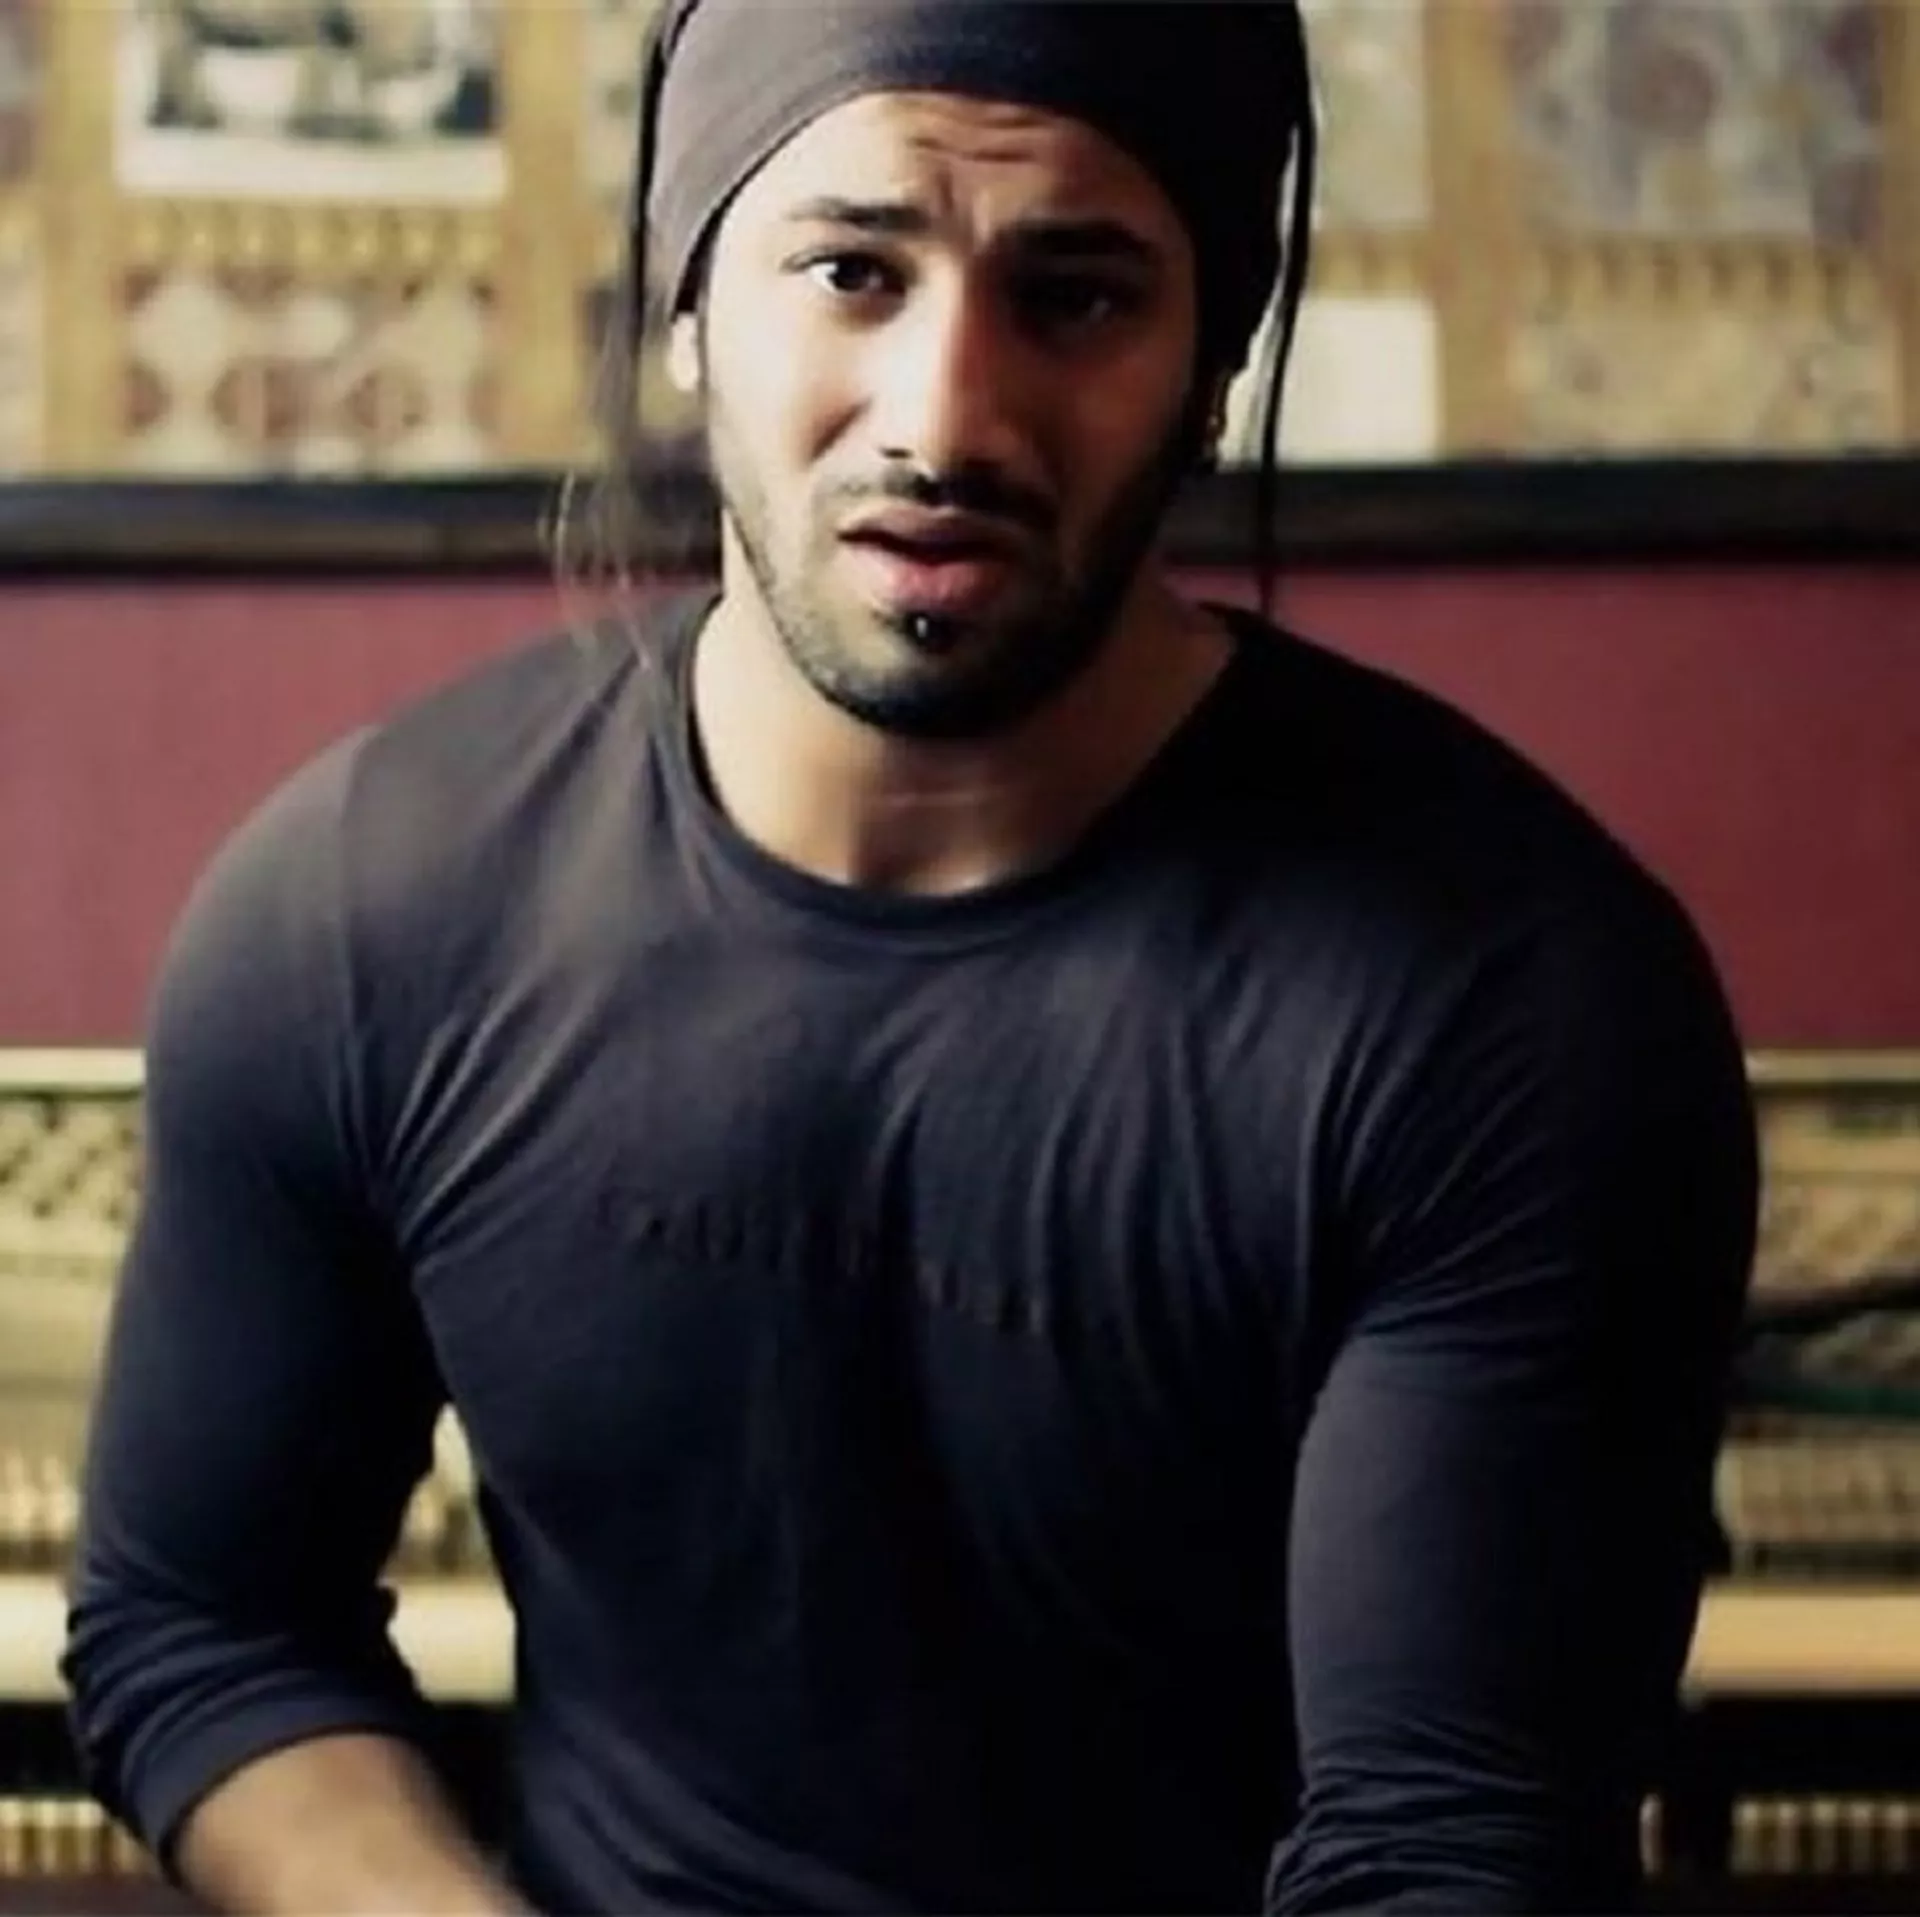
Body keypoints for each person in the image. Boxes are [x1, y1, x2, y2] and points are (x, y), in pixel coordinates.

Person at [64, 2, 1760, 1912]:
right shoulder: (366, 904)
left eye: (1078, 297)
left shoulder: (1513, 1001)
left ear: (1216, 369)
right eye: (852, 272)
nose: (945, 420)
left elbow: (1450, 1845)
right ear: (689, 309)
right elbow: (208, 1620)